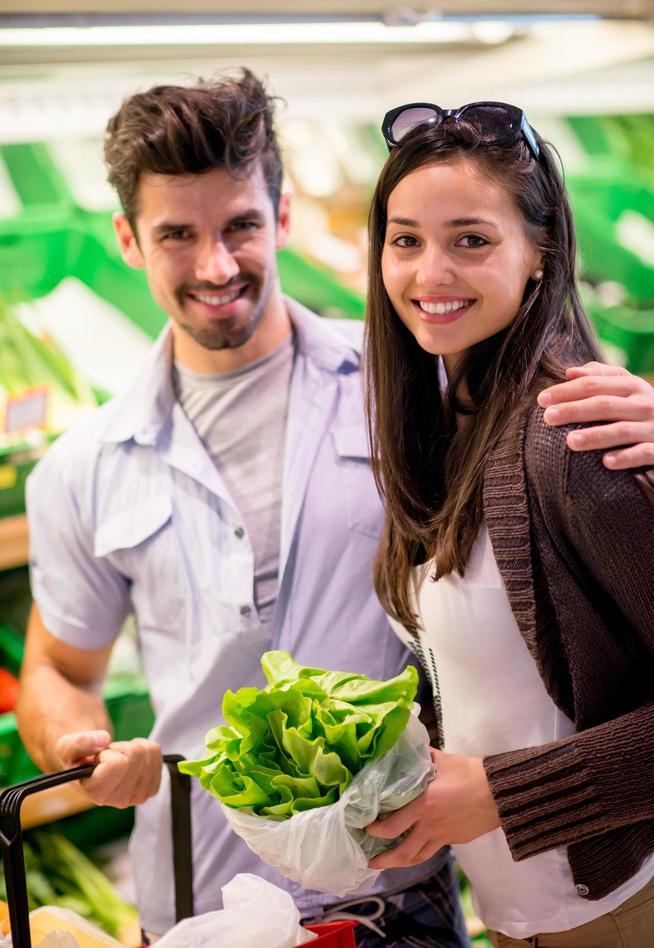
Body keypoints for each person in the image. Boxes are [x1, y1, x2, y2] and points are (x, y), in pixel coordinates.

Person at [14, 76, 653, 945]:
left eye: (240, 225)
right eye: (176, 235)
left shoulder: (419, 380)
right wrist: (77, 749)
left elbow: (547, 392)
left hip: (409, 893)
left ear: (280, 219)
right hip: (207, 897)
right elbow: (57, 668)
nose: (215, 265)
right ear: (128, 239)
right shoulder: (81, 469)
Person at [360, 101, 654, 947]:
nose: (430, 273)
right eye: (405, 239)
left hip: (625, 906)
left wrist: (498, 794)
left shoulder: (574, 437)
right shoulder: (445, 421)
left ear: (540, 256)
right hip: (521, 916)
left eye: (471, 239)